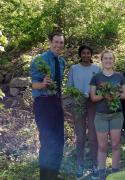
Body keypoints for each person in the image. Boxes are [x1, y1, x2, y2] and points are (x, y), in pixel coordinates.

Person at [30, 31, 65, 180]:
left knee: (59, 139)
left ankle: (54, 174)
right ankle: (45, 176)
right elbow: (32, 84)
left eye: (61, 42)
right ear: (50, 42)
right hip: (43, 103)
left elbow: (59, 86)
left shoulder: (62, 61)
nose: (58, 45)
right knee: (47, 139)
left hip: (56, 102)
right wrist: (42, 84)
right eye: (56, 42)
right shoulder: (39, 60)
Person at [90, 50, 125, 180]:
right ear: (101, 60)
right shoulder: (96, 77)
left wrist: (114, 95)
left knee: (116, 145)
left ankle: (115, 173)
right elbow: (93, 97)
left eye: (110, 58)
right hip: (101, 116)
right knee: (102, 146)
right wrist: (104, 95)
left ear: (114, 60)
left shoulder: (119, 76)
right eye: (105, 58)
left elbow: (124, 95)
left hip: (116, 115)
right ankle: (102, 173)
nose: (108, 61)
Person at [67, 45, 101, 179]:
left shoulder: (96, 69)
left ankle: (95, 165)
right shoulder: (74, 68)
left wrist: (92, 94)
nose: (86, 55)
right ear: (80, 55)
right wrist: (78, 95)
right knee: (80, 136)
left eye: (88, 53)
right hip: (78, 104)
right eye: (83, 53)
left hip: (93, 103)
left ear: (91, 55)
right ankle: (80, 165)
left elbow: (100, 87)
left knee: (93, 136)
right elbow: (70, 87)